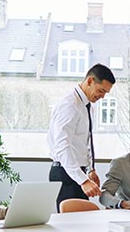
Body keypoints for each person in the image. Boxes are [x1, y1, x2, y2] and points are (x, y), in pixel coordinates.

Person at [48, 63, 116, 209]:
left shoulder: (87, 106)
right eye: (101, 91)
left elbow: (84, 142)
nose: (102, 97)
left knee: (83, 223)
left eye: (105, 93)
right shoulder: (70, 105)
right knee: (70, 226)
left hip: (79, 173)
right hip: (65, 174)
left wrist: (90, 170)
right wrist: (83, 181)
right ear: (90, 81)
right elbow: (62, 147)